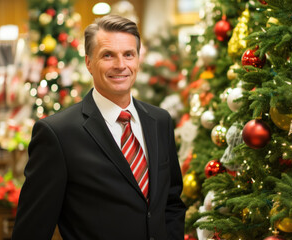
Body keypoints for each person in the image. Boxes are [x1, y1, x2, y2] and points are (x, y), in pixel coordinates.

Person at [12, 14, 186, 240]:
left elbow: (171, 202)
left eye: (128, 55)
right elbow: (31, 230)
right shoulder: (57, 134)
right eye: (108, 55)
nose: (121, 65)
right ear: (88, 63)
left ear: (138, 59)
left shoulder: (160, 120)